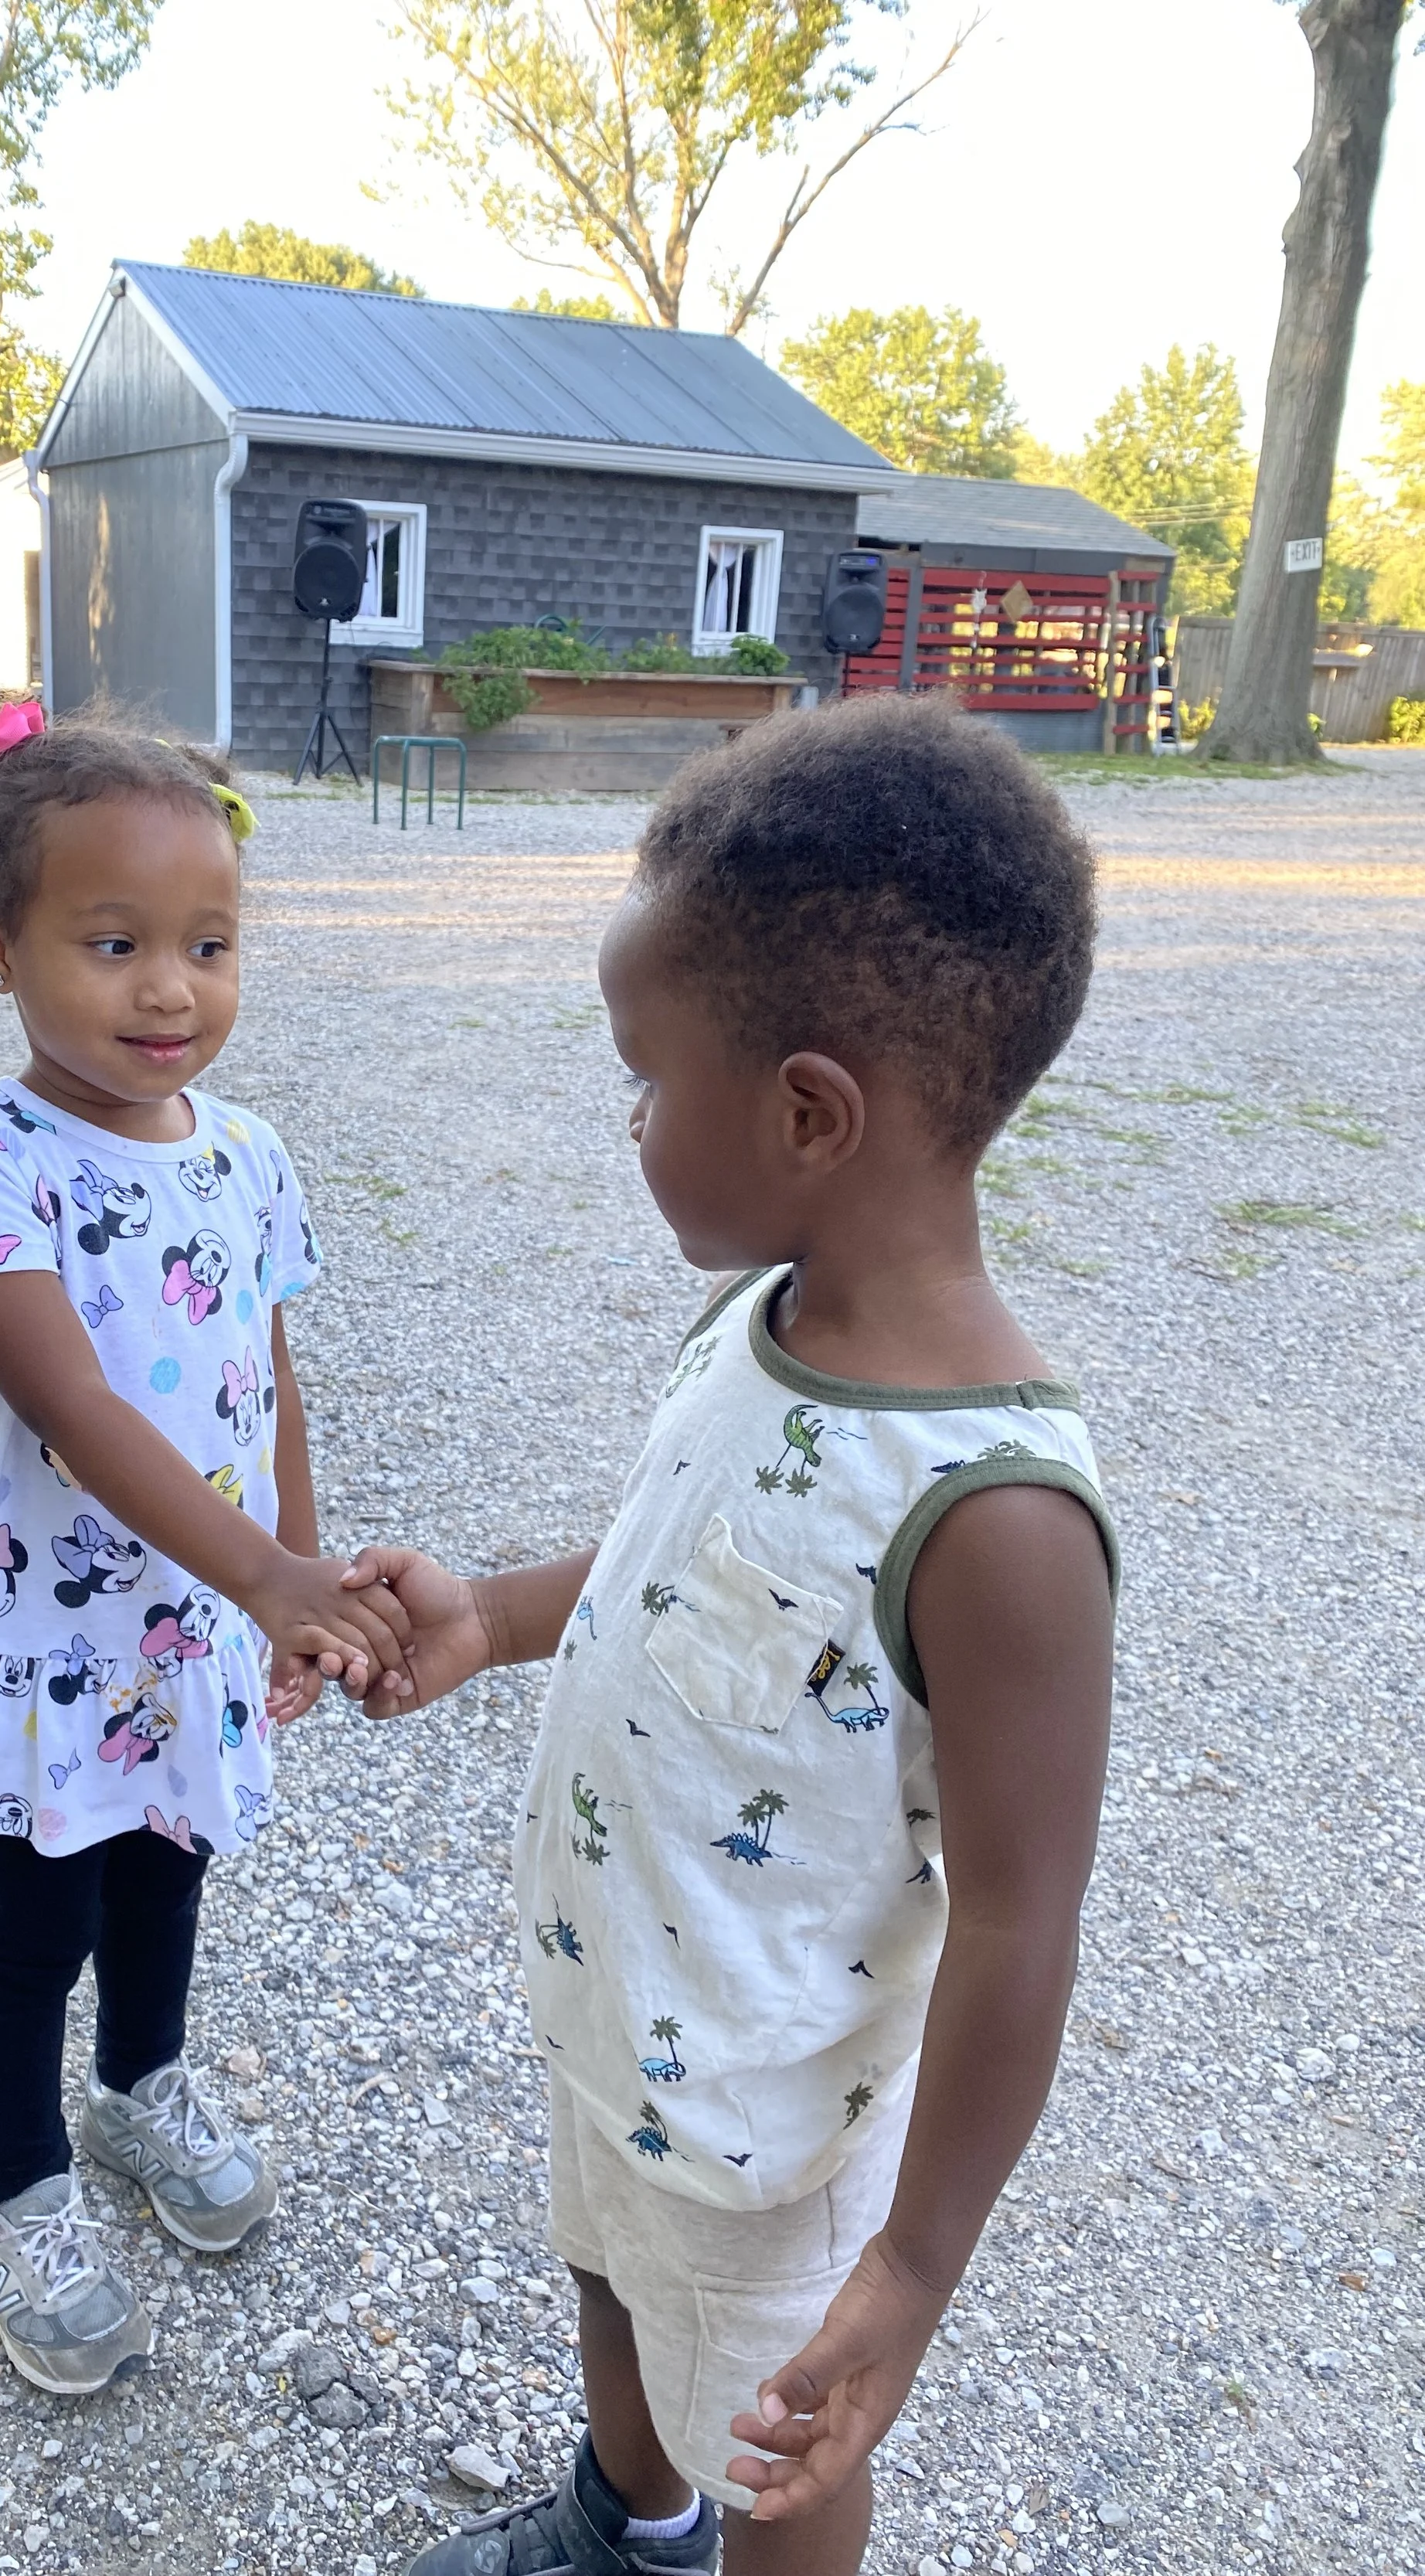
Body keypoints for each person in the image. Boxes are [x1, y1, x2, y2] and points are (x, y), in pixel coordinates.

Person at [350, 693, 1119, 2575]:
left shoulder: (997, 1518)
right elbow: (668, 1563)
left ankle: (703, 2520)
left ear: (802, 1111)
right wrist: (490, 1618)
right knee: (608, 2283)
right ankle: (624, 2524)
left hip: (767, 2128)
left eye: (642, 1073)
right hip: (616, 2008)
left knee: (779, 2440)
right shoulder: (761, 1317)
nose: (625, 1117)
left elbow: (1023, 1921)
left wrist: (912, 2266)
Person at [0, 699, 410, 2395]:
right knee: (34, 1920)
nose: (169, 989)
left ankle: (140, 2085)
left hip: (194, 1633)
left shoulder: (250, 1156)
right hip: (47, 1636)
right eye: (112, 944)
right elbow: (78, 1409)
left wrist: (295, 1590)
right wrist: (265, 1576)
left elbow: (265, 1371)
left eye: (207, 944)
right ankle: (14, 2191)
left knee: (172, 1865)